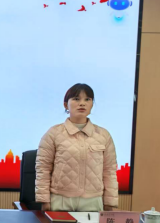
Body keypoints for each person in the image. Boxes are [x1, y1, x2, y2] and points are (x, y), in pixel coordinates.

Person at [35, 84, 118, 212]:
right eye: (76, 99)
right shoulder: (53, 133)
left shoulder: (103, 135)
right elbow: (43, 168)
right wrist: (44, 200)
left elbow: (109, 171)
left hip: (93, 201)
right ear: (65, 105)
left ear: (92, 104)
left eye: (87, 99)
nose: (82, 103)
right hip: (61, 199)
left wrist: (110, 202)